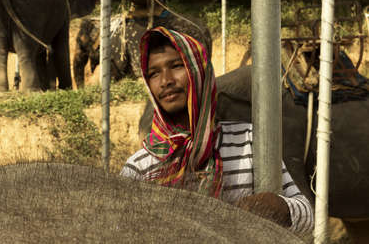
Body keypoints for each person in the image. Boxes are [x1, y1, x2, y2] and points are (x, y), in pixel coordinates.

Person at [120, 26, 313, 233]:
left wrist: (279, 207)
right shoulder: (139, 167)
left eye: (176, 66)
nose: (166, 81)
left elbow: (307, 217)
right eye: (154, 73)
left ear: (198, 72)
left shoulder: (248, 140)